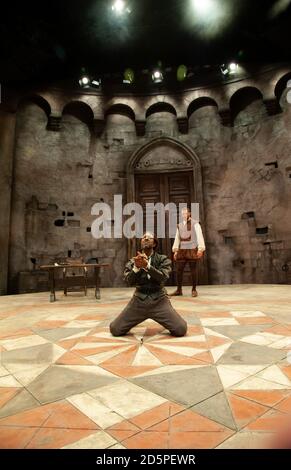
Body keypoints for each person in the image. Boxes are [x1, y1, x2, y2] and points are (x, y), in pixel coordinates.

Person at [110, 232, 187, 337]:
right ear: (141, 243)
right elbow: (128, 280)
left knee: (180, 329)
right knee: (115, 329)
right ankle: (136, 318)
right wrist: (136, 268)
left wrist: (147, 266)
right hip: (139, 301)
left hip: (159, 300)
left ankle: (165, 318)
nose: (146, 239)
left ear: (154, 243)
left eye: (149, 238)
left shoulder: (162, 259)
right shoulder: (133, 261)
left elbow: (163, 277)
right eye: (143, 238)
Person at [170, 207, 205, 297]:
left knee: (193, 270)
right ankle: (179, 290)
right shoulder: (180, 225)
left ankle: (194, 289)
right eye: (182, 214)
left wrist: (200, 248)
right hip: (182, 250)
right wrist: (175, 250)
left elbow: (199, 236)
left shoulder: (195, 224)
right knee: (179, 270)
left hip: (192, 249)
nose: (184, 215)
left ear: (189, 213)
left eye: (185, 213)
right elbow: (177, 238)